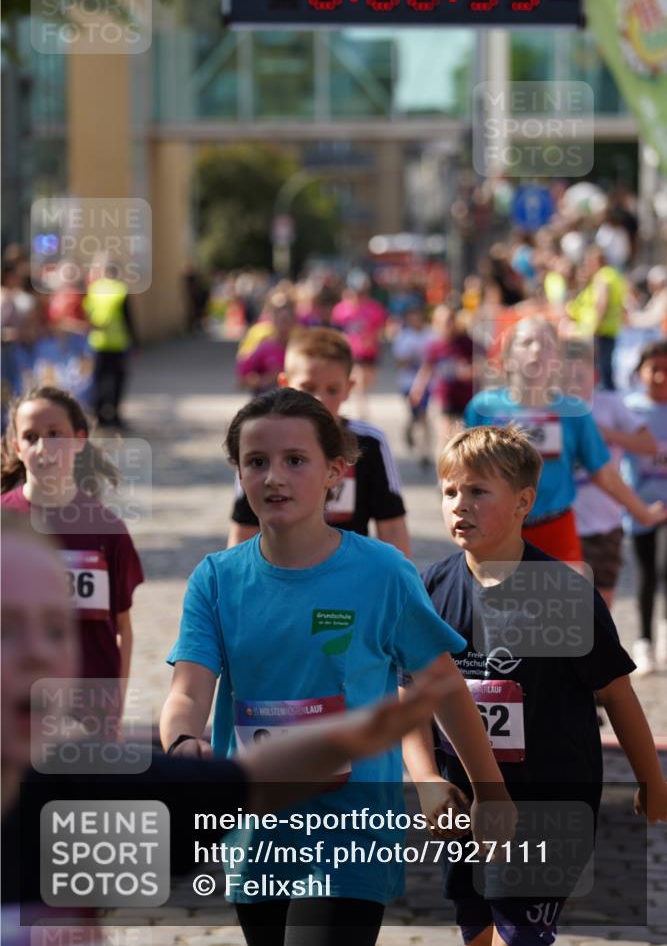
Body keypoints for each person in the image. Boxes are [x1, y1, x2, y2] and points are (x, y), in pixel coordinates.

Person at [1, 512, 466, 945]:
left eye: (57, 629)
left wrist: (356, 737)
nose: (40, 654)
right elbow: (191, 696)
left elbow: (250, 781)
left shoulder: (77, 794)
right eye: (6, 628)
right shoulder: (218, 578)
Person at [161, 388, 513, 946]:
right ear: (240, 474)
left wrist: (489, 791)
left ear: (336, 472)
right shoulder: (216, 579)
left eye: (295, 460)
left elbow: (442, 685)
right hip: (255, 831)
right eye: (257, 462)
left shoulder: (382, 573)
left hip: (352, 831)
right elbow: (189, 690)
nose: (274, 477)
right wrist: (182, 744)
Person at [401, 426, 667, 946]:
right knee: (478, 933)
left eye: (478, 491)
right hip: (465, 808)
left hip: (549, 808)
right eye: (450, 491)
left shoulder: (565, 595)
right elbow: (411, 696)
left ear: (524, 502)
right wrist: (428, 780)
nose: (460, 505)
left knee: (520, 937)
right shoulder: (428, 588)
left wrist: (652, 783)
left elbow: (616, 694)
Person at [464, 316, 666, 564]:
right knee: (494, 602)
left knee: (560, 603)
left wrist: (642, 512)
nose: (537, 350)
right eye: (527, 342)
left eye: (548, 344)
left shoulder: (573, 411)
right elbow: (463, 473)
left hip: (556, 530)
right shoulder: (482, 407)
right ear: (507, 357)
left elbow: (603, 472)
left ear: (557, 361)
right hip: (494, 531)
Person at [1, 385, 143, 706]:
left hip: (90, 711)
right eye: (31, 437)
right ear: (17, 447)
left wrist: (116, 707)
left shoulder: (107, 529)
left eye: (54, 434)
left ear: (78, 440)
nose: (43, 447)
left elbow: (122, 628)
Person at [227, 327, 411, 557]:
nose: (320, 399)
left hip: (350, 575)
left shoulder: (369, 443)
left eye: (332, 389)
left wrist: (405, 585)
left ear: (349, 388)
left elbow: (392, 526)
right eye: (308, 388)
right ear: (285, 383)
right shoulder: (261, 443)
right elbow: (244, 528)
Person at [565, 341, 657, 612]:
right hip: (562, 522)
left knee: (601, 608)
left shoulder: (610, 405)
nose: (573, 383)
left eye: (579, 376)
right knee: (562, 608)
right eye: (566, 376)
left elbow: (648, 445)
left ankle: (598, 654)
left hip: (604, 524)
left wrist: (607, 435)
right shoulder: (552, 412)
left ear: (594, 376)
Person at [622, 340, 667, 675]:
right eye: (654, 370)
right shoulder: (630, 409)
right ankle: (644, 641)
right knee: (646, 573)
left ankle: (664, 630)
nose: (661, 377)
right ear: (640, 373)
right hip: (639, 504)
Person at [410, 305, 474, 451]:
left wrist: (469, 372)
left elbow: (482, 363)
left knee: (460, 437)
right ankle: (442, 471)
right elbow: (427, 368)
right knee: (444, 435)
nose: (448, 326)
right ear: (436, 324)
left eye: (450, 321)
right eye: (444, 322)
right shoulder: (435, 346)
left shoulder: (466, 343)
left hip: (464, 397)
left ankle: (457, 469)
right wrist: (418, 388)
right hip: (444, 396)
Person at [83, 256, 136, 429]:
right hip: (118, 343)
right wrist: (135, 342)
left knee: (98, 379)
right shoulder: (121, 289)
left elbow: (87, 313)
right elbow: (129, 319)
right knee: (116, 380)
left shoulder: (93, 289)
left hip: (97, 342)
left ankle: (99, 415)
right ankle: (114, 415)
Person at [566, 244, 627, 390]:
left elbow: (601, 303)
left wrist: (593, 328)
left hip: (599, 330)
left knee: (599, 371)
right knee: (605, 369)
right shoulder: (614, 275)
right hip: (609, 330)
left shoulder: (602, 277)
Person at [331, 270, 386, 419]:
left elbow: (381, 329)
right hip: (351, 352)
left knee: (368, 380)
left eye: (362, 292)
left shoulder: (374, 308)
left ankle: (360, 400)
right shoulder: (340, 309)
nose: (359, 295)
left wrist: (373, 338)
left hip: (370, 352)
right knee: (359, 380)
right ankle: (362, 412)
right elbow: (336, 329)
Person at [392, 306, 434, 470]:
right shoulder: (404, 337)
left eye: (416, 315)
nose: (414, 319)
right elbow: (399, 362)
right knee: (417, 415)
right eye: (411, 316)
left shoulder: (431, 334)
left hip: (427, 383)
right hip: (408, 383)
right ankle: (409, 429)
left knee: (424, 415)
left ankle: (425, 452)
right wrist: (411, 358)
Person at [236, 288, 297, 395]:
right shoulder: (258, 333)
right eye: (278, 310)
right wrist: (266, 379)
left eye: (288, 308)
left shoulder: (302, 337)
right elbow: (243, 376)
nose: (284, 314)